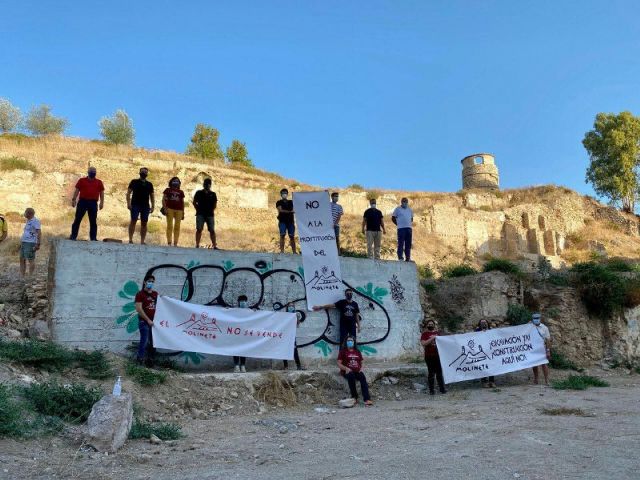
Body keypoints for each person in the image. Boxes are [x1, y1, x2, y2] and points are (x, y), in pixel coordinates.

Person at [69, 166, 104, 241]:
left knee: (93, 221)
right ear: (88, 172)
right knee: (77, 219)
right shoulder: (82, 180)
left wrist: (101, 202)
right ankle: (73, 236)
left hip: (93, 203)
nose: (93, 173)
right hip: (82, 202)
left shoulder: (99, 182)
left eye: (94, 172)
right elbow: (77, 190)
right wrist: (74, 199)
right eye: (91, 171)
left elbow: (101, 192)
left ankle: (93, 238)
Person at [337, 335, 373, 406]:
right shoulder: (343, 352)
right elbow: (339, 363)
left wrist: (361, 369)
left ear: (354, 342)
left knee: (362, 376)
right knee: (351, 376)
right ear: (346, 342)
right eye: (348, 341)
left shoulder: (357, 352)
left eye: (351, 341)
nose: (350, 342)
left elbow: (362, 362)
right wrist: (346, 368)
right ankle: (354, 397)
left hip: (356, 371)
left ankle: (367, 399)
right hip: (347, 371)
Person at [127, 167, 155, 244]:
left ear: (147, 174)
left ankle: (142, 241)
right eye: (142, 171)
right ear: (139, 172)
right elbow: (128, 192)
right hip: (135, 204)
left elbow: (152, 196)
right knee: (133, 220)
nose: (144, 173)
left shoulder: (149, 184)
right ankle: (130, 239)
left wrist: (153, 206)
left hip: (145, 206)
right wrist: (128, 203)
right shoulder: (134, 181)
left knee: (144, 223)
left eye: (145, 172)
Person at [135, 274, 158, 366]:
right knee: (144, 341)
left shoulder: (155, 294)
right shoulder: (140, 294)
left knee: (153, 343)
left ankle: (150, 361)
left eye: (152, 282)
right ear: (144, 282)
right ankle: (140, 360)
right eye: (149, 281)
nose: (150, 283)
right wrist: (148, 320)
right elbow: (139, 309)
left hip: (154, 323)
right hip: (144, 322)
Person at [420, 319, 446, 395]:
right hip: (429, 356)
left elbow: (443, 343)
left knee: (439, 373)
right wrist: (432, 338)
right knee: (431, 373)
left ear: (434, 325)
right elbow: (424, 343)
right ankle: (431, 390)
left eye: (432, 324)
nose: (430, 325)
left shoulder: (438, 333)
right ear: (427, 325)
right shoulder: (424, 334)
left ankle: (442, 389)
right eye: (429, 324)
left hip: (438, 356)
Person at [193, 178, 218, 249]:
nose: (207, 185)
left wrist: (211, 210)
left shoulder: (213, 194)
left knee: (212, 230)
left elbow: (215, 204)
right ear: (203, 184)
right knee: (199, 229)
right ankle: (197, 244)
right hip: (200, 214)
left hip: (210, 214)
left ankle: (214, 245)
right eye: (206, 183)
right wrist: (197, 209)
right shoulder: (199, 192)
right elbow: (194, 202)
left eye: (208, 184)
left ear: (210, 185)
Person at [162, 177, 185, 246]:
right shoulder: (167, 190)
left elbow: (182, 202)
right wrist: (165, 208)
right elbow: (163, 200)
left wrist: (183, 212)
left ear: (179, 183)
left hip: (179, 210)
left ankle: (175, 243)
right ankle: (169, 242)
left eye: (177, 181)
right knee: (170, 225)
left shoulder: (181, 192)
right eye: (174, 181)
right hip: (170, 209)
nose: (176, 182)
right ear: (171, 182)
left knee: (177, 226)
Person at [282, 302, 304, 370]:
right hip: (284, 335)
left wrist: (296, 318)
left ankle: (298, 366)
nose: (291, 307)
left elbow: (297, 325)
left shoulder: (294, 315)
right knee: (284, 350)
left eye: (292, 306)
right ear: (287, 307)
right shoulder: (283, 315)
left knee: (295, 351)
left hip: (291, 336)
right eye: (290, 306)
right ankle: (286, 366)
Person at [531, 313, 551, 385]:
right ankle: (536, 379)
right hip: (533, 348)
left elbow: (548, 340)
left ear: (540, 319)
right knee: (534, 364)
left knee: (544, 364)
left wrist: (548, 350)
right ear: (532, 319)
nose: (536, 320)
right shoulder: (529, 327)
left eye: (537, 318)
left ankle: (546, 380)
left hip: (542, 348)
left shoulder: (544, 328)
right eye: (534, 319)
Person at [20, 208, 41, 277]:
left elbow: (39, 233)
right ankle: (22, 275)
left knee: (30, 259)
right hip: (24, 242)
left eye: (25, 212)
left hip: (30, 243)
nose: (24, 214)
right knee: (22, 259)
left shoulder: (35, 221)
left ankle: (30, 276)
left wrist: (38, 244)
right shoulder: (28, 221)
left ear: (29, 213)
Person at [475, 319, 496, 388]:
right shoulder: (477, 331)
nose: (484, 324)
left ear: (487, 323)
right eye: (482, 323)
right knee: (482, 366)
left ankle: (491, 381)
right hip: (481, 352)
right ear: (479, 324)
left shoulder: (491, 330)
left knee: (492, 366)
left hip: (490, 351)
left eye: (485, 322)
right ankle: (484, 382)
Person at [392, 197, 414, 261]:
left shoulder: (410, 210)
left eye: (406, 201)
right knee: (401, 243)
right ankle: (400, 257)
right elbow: (393, 218)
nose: (405, 203)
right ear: (401, 202)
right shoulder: (397, 209)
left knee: (408, 244)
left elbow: (411, 219)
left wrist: (408, 224)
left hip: (408, 229)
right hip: (401, 229)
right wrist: (398, 224)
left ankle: (408, 258)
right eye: (404, 201)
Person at [276, 188, 297, 254]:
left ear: (287, 194)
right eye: (283, 193)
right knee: (282, 235)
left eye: (285, 193)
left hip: (290, 222)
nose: (284, 194)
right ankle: (282, 251)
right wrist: (290, 212)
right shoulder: (279, 202)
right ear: (281, 194)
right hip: (282, 221)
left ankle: (294, 252)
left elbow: (295, 209)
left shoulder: (291, 202)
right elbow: (280, 210)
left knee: (292, 236)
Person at [233, 294, 249, 372]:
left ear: (247, 302)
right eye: (241, 301)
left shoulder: (249, 311)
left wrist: (255, 311)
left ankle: (243, 365)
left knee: (244, 350)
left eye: (244, 301)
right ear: (238, 302)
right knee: (235, 350)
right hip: (236, 334)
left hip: (245, 335)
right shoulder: (234, 311)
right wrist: (226, 311)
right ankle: (236, 366)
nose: (243, 302)